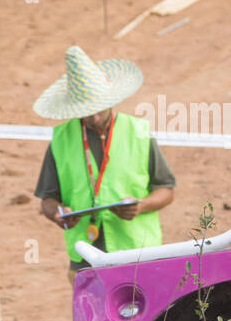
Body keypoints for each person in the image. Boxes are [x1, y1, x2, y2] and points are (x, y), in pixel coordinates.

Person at [32, 46, 175, 282]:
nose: (95, 117)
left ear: (111, 100)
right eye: (87, 112)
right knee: (93, 317)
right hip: (85, 257)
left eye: (99, 109)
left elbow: (166, 190)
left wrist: (142, 205)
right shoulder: (60, 139)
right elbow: (47, 199)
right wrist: (58, 214)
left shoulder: (139, 132)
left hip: (137, 251)